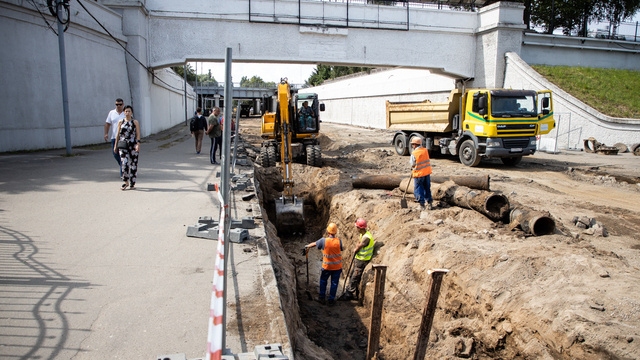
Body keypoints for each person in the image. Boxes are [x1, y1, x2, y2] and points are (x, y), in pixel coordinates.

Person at [303, 222, 343, 306]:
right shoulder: (339, 241)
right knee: (334, 283)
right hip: (337, 267)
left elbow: (314, 244)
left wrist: (307, 246)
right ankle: (331, 300)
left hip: (327, 267)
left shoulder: (323, 241)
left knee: (323, 281)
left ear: (328, 232)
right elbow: (341, 249)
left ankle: (322, 298)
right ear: (335, 232)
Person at [340, 218, 373, 301]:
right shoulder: (363, 234)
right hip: (358, 259)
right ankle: (349, 290)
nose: (356, 228)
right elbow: (358, 243)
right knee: (352, 275)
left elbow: (359, 246)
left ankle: (349, 293)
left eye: (357, 227)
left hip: (362, 260)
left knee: (355, 276)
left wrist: (356, 249)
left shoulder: (367, 237)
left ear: (360, 228)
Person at [114, 105, 140, 190]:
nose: (127, 113)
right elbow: (118, 134)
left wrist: (138, 144)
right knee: (124, 163)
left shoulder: (135, 122)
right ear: (124, 112)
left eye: (129, 111)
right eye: (126, 111)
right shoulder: (121, 122)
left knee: (133, 163)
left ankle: (132, 182)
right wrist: (115, 145)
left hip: (132, 144)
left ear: (131, 112)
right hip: (123, 144)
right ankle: (125, 181)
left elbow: (138, 134)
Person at [410, 137, 433, 210]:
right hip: (426, 173)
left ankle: (422, 205)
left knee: (419, 189)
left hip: (419, 174)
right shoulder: (425, 150)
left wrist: (413, 167)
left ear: (415, 145)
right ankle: (429, 203)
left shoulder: (414, 153)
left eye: (413, 144)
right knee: (427, 188)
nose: (412, 146)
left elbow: (412, 163)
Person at [104, 98, 125, 176]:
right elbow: (107, 123)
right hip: (114, 137)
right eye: (117, 104)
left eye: (120, 104)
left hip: (123, 138)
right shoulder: (112, 113)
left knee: (122, 154)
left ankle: (123, 172)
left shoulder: (125, 112)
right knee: (115, 154)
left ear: (123, 104)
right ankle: (124, 166)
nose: (118, 106)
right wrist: (106, 133)